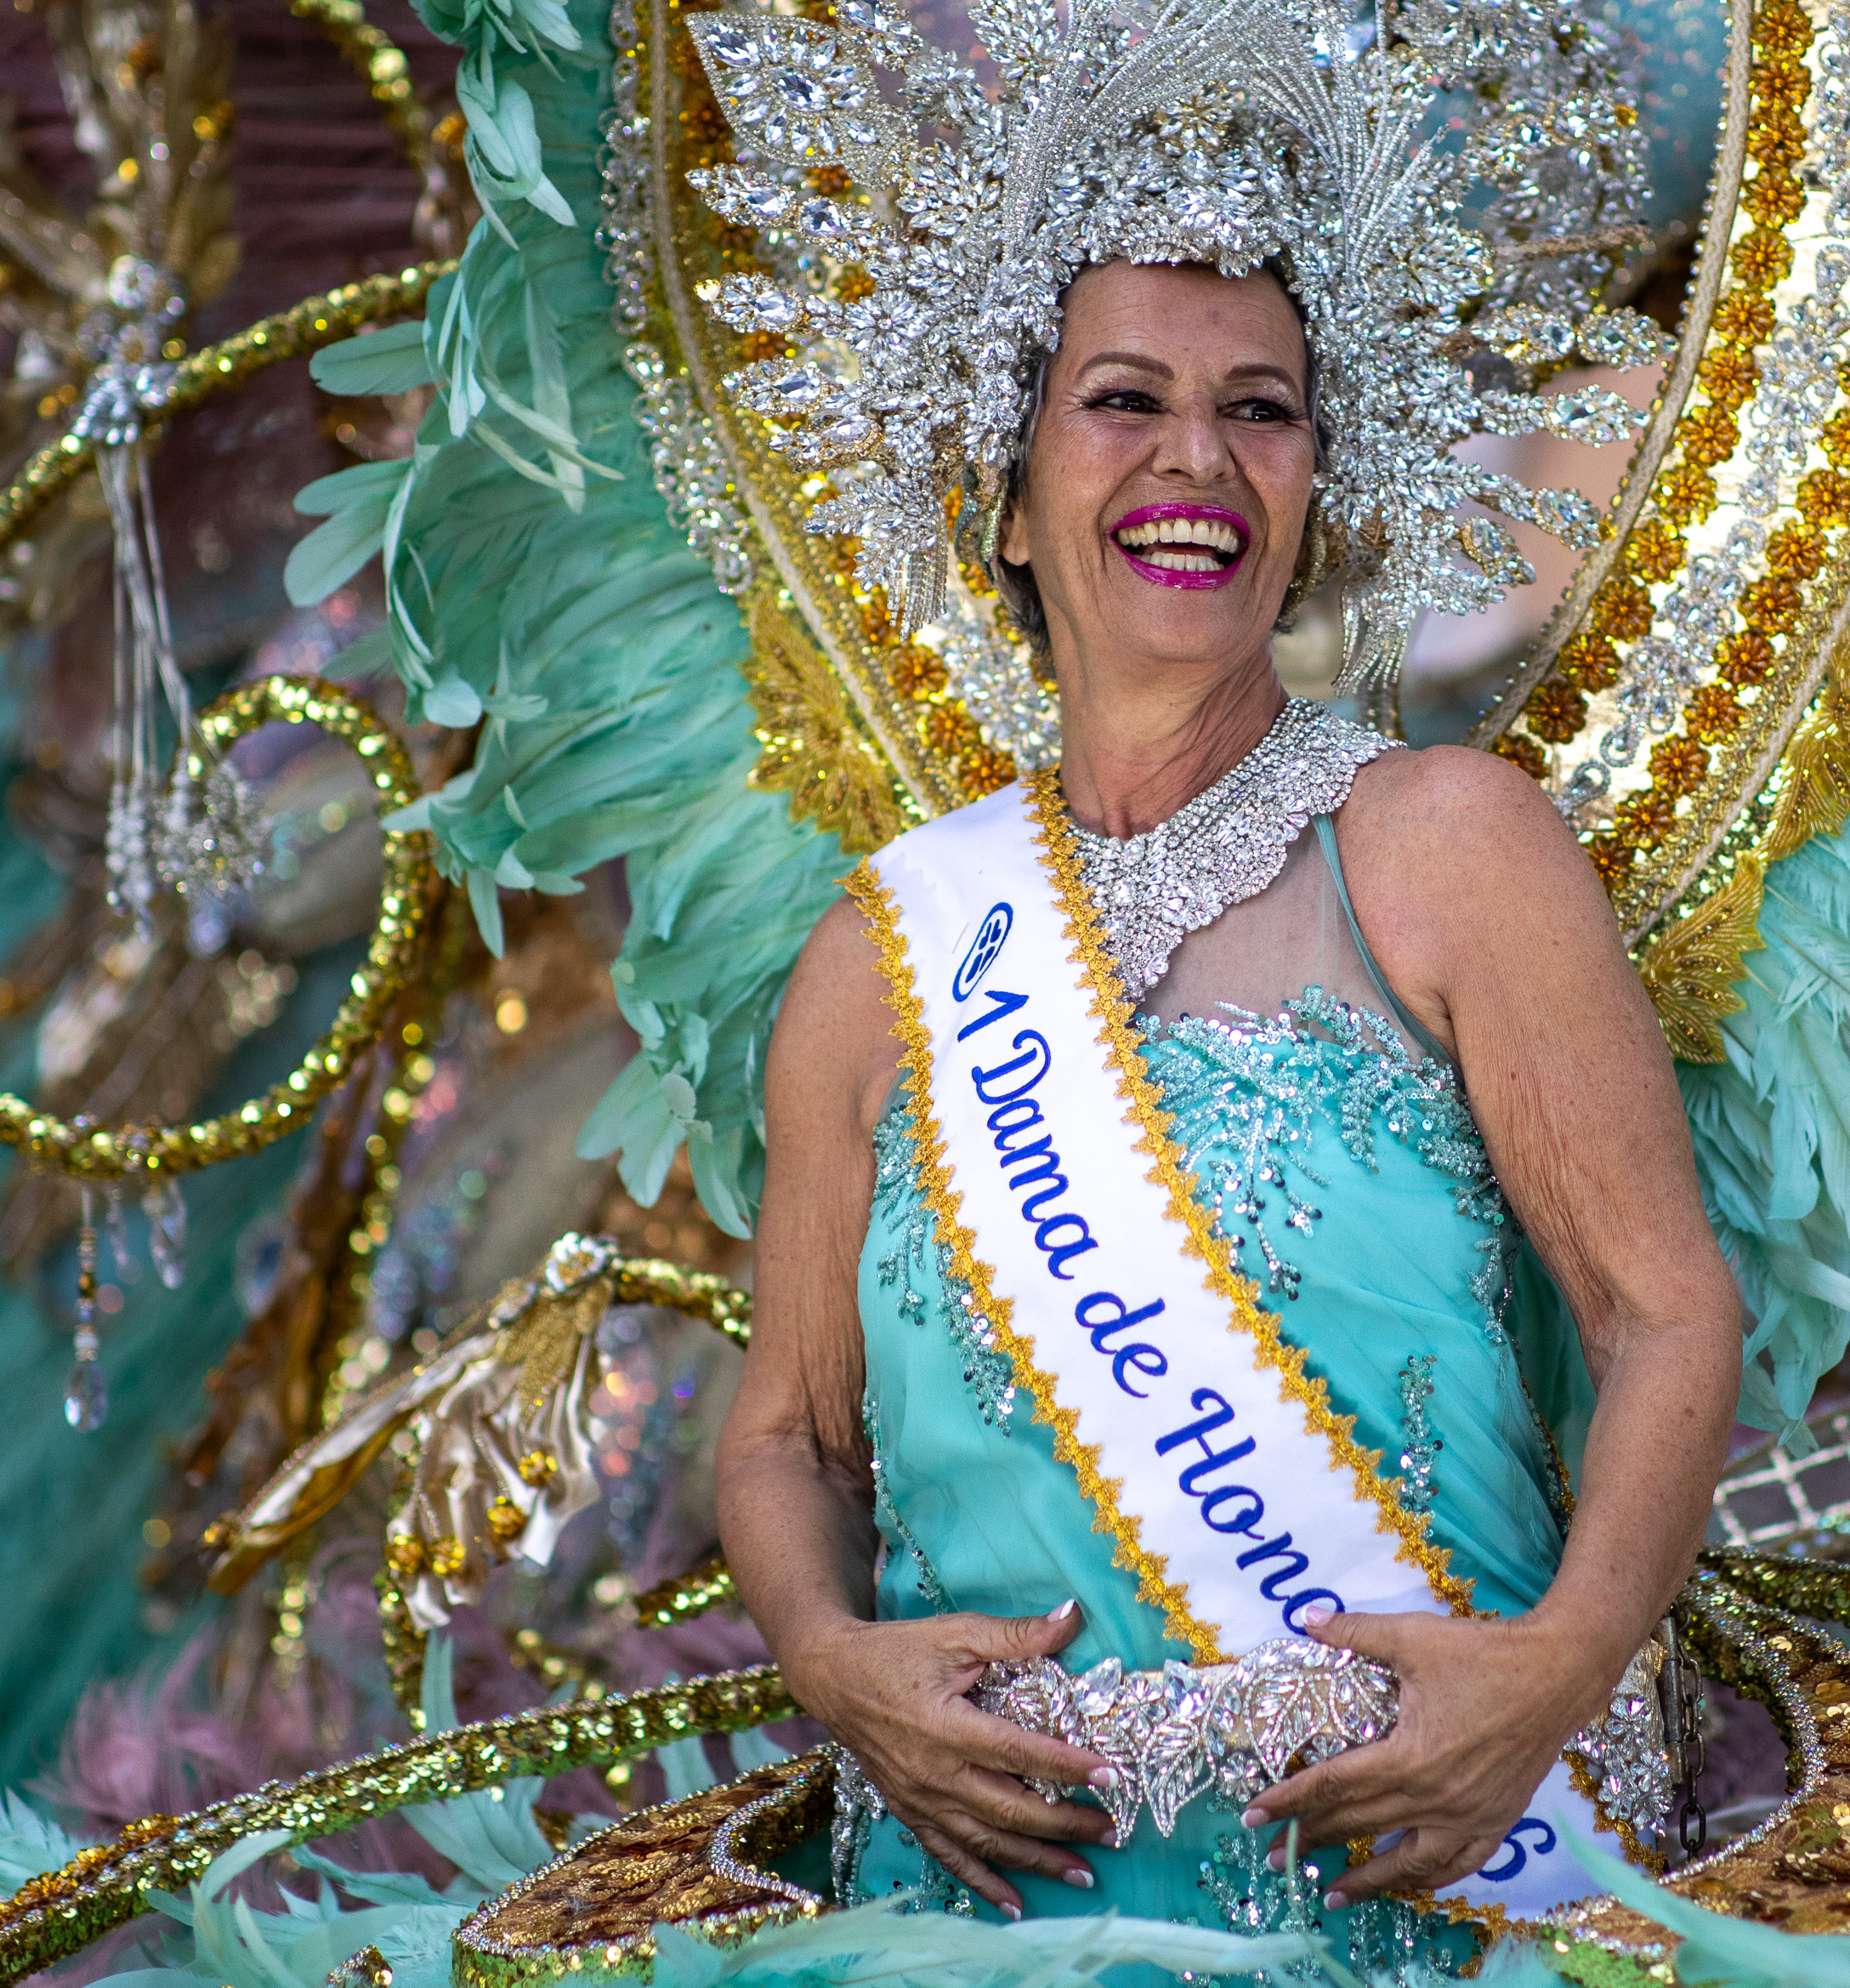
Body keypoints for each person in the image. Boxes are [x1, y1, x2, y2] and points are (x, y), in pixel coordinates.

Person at [712, 252, 1747, 1951]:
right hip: (987, 1906)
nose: (1195, 456)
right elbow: (788, 1438)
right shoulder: (879, 960)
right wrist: (835, 1671)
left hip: (1447, 1860)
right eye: (1125, 400)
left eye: (1257, 410)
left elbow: (1665, 1308)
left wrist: (1558, 1672)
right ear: (1014, 497)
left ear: (1314, 492)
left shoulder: (1446, 847)